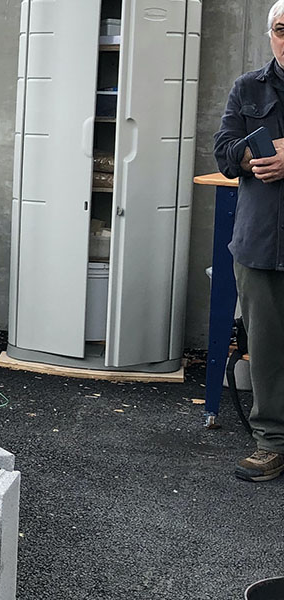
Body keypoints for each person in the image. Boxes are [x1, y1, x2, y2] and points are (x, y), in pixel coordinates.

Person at [213, 0, 284, 483]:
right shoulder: (247, 88)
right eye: (282, 29)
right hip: (260, 241)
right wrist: (249, 155)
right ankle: (272, 442)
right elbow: (223, 152)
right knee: (267, 347)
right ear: (270, 34)